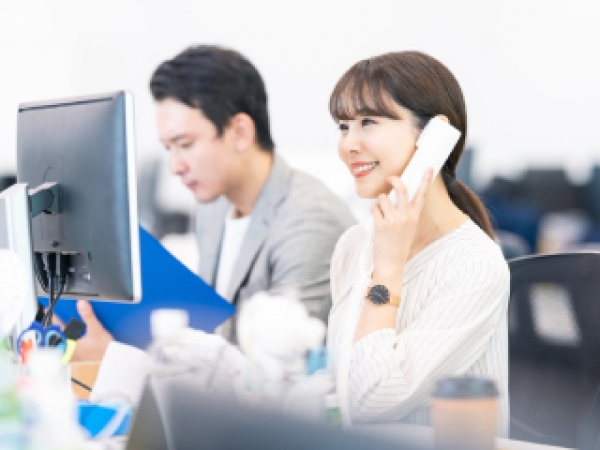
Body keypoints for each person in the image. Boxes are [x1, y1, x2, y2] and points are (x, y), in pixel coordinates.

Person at [71, 45, 356, 361]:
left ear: (240, 132)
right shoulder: (214, 205)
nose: (175, 166)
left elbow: (278, 370)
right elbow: (213, 334)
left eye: (185, 144)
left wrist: (119, 358)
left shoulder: (310, 222)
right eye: (169, 148)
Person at [325, 51, 510, 436]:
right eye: (344, 126)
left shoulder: (474, 266)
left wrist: (388, 268)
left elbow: (370, 399)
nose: (348, 145)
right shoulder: (354, 245)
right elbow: (341, 384)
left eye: (368, 122)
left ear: (433, 136)